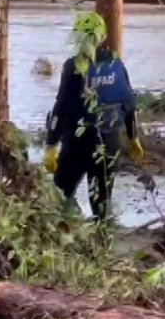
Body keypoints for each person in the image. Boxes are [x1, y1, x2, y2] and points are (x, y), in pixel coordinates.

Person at [42, 12, 145, 223]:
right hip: (109, 144)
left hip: (78, 143)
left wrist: (51, 145)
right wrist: (134, 137)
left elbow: (62, 108)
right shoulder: (116, 64)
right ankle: (103, 240)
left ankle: (70, 234)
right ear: (102, 37)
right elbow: (129, 103)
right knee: (102, 204)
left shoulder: (74, 66)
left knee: (60, 196)